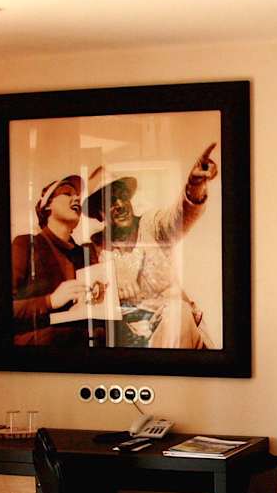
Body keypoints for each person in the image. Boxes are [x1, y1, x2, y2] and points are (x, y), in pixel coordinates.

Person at [83, 143, 221, 348]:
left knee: (178, 313)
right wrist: (114, 293)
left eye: (122, 196)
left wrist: (195, 184)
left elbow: (178, 217)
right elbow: (89, 297)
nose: (119, 204)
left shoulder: (152, 225)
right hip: (130, 340)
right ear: (99, 213)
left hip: (176, 332)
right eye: (110, 201)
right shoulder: (95, 249)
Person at [10, 174, 104, 346]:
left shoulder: (85, 253)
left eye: (77, 195)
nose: (77, 198)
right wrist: (50, 301)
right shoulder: (25, 245)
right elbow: (2, 309)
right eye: (67, 193)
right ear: (47, 206)